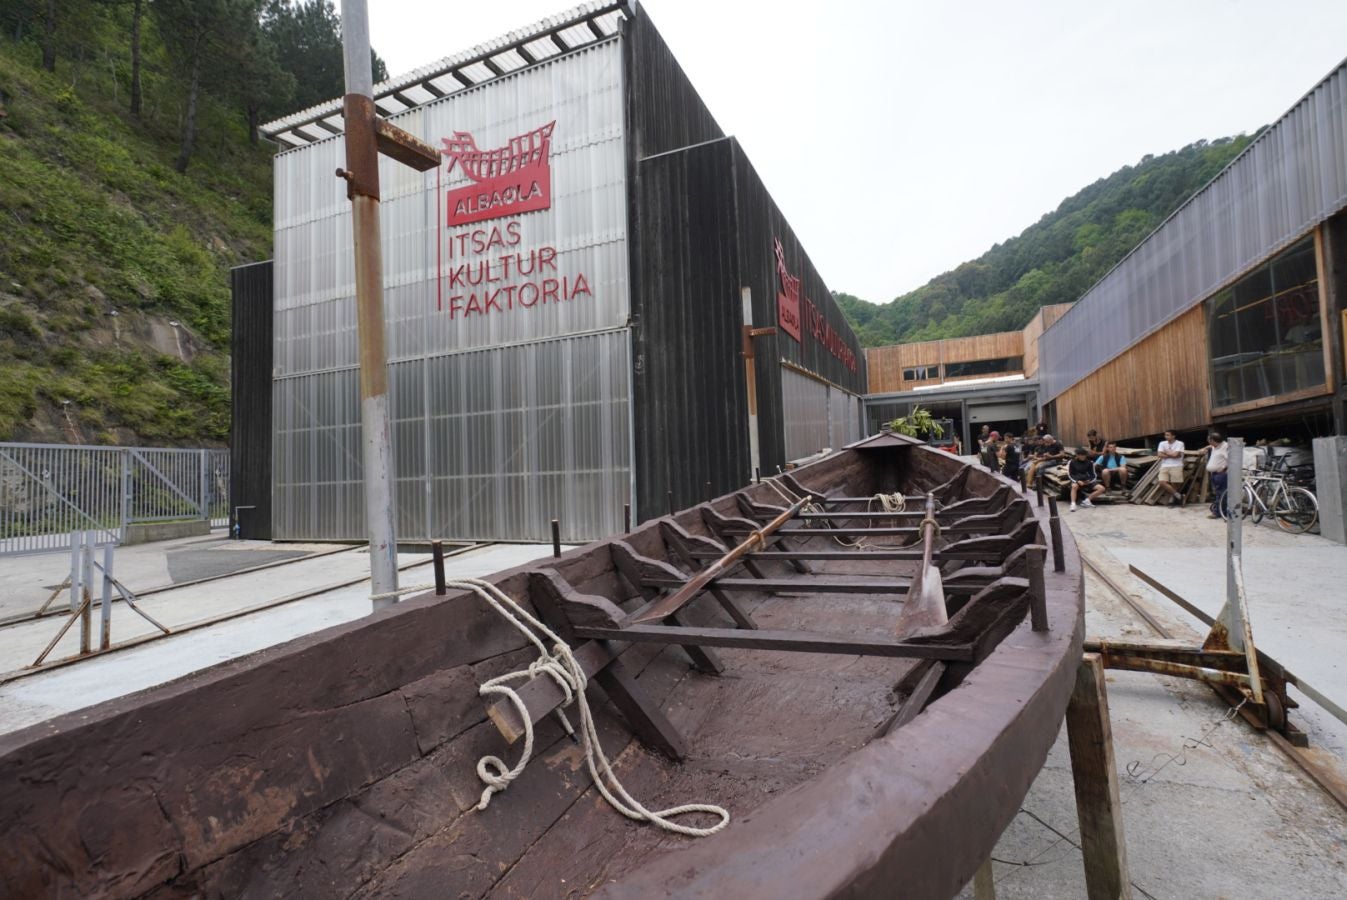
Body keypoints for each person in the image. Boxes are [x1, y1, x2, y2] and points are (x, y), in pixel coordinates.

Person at [1156, 430, 1186, 507]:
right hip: (1164, 465)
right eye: (1165, 435)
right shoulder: (1162, 443)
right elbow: (1159, 455)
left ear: (1173, 436)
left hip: (1176, 465)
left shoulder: (1180, 443)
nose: (1166, 436)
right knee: (1161, 482)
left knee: (1175, 484)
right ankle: (1179, 496)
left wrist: (1165, 452)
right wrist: (1172, 454)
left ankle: (1172, 501)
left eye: (1168, 435)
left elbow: (1176, 455)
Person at [1205, 431, 1229, 519]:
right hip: (1215, 474)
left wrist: (1224, 468)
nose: (1208, 442)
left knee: (1221, 493)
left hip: (1221, 474)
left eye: (1209, 440)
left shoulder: (1226, 447)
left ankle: (1218, 512)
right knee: (1218, 493)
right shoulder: (1215, 446)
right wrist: (1204, 449)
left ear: (1213, 440)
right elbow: (1209, 446)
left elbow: (1231, 460)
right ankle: (1220, 511)